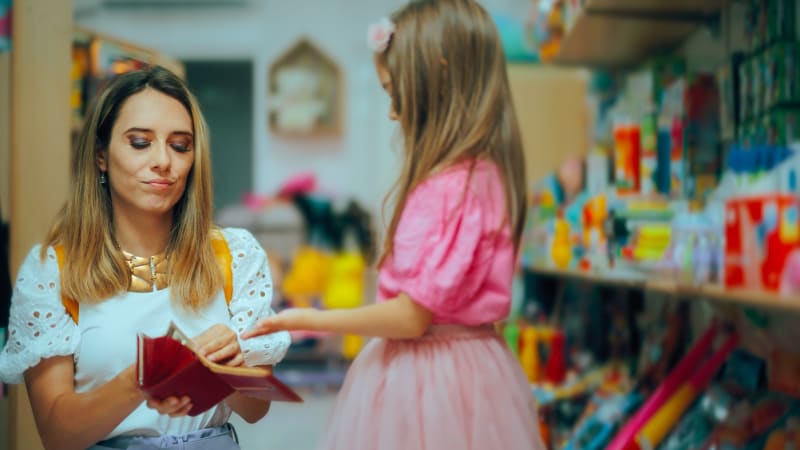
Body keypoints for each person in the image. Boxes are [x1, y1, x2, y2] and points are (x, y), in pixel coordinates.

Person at [242, 1, 547, 448]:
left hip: (429, 379)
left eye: (393, 92)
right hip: (477, 368)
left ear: (435, 78)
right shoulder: (485, 176)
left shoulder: (446, 189)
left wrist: (307, 318)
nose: (391, 113)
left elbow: (410, 317)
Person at [0, 66, 290, 450]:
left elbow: (256, 410)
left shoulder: (234, 255)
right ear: (101, 156)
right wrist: (141, 378)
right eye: (140, 143)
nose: (163, 162)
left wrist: (227, 369)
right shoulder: (53, 270)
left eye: (180, 146)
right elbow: (57, 435)